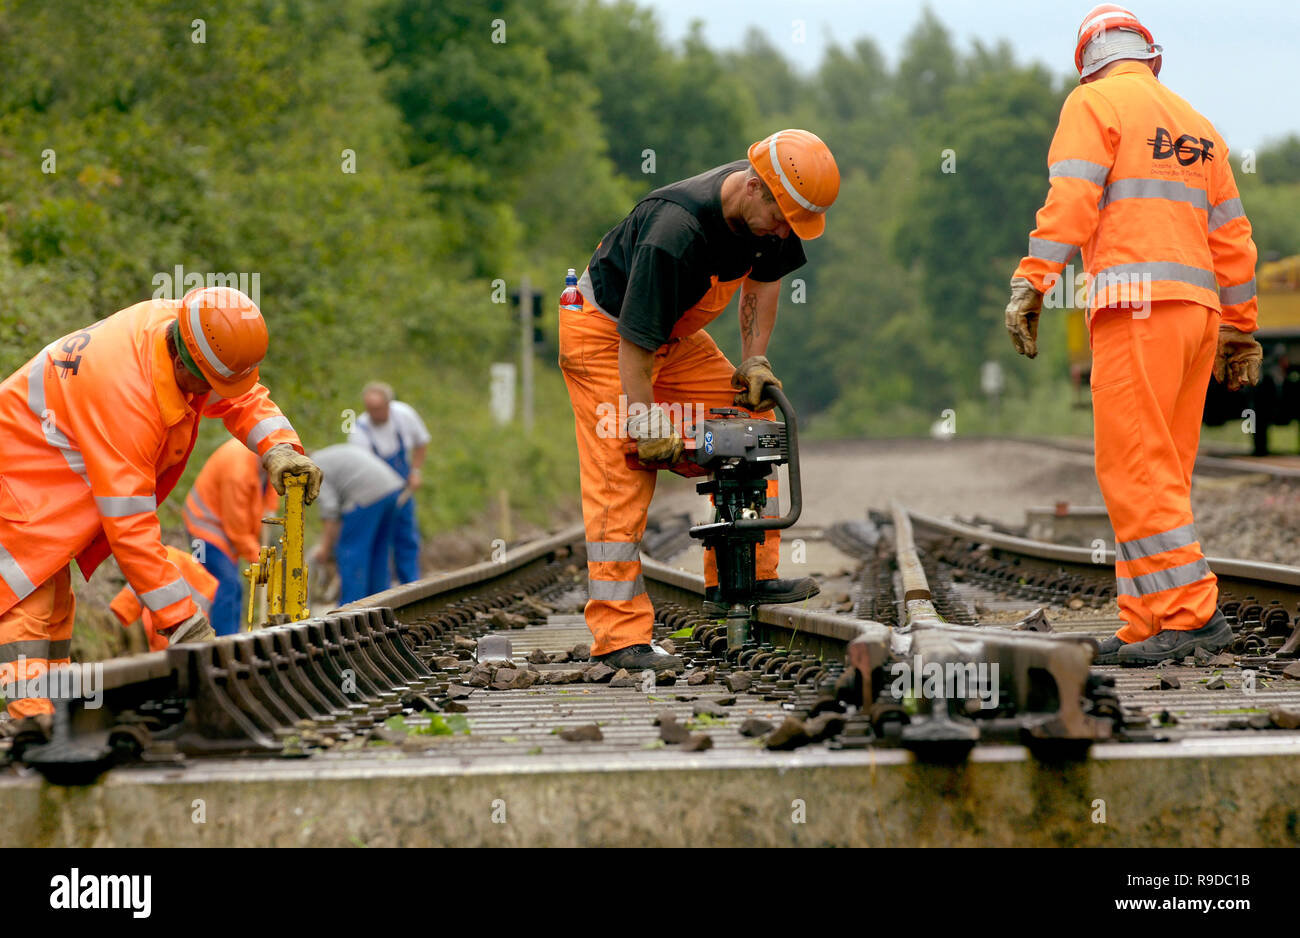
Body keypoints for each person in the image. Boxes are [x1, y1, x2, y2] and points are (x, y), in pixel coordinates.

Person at [1004, 5, 1262, 666]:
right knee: (1162, 470)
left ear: (1086, 64)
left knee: (1134, 467)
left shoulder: (1093, 106)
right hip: (1198, 316)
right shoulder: (1199, 126)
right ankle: (1146, 616)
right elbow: (1233, 238)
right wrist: (1240, 332)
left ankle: (1188, 614)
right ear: (1153, 57)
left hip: (1135, 310)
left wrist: (1034, 282)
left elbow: (1071, 202)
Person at [559, 129, 839, 672]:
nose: (784, 234)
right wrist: (644, 421)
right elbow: (636, 345)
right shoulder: (674, 232)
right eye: (781, 220)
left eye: (794, 226)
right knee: (623, 468)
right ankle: (618, 638)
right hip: (606, 335)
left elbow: (765, 282)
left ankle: (749, 576)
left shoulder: (774, 210)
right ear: (755, 189)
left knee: (757, 418)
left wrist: (754, 359)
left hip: (675, 338)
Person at [0, 285, 322, 721]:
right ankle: (29, 721)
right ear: (186, 365)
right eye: (209, 385)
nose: (212, 394)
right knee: (28, 603)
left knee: (56, 607)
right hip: (18, 481)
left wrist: (279, 447)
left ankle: (51, 717)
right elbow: (130, 530)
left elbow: (240, 394)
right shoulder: (125, 398)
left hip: (43, 478)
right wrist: (185, 624)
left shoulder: (189, 325)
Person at [182, 438, 281, 635]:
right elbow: (237, 530)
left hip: (224, 531)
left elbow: (270, 488)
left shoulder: (267, 460)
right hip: (204, 528)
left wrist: (269, 509)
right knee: (226, 584)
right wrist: (259, 558)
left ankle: (233, 638)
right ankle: (223, 644)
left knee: (232, 587)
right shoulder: (238, 472)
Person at [348, 382, 429, 584]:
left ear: (388, 405)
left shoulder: (404, 415)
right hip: (376, 494)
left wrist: (415, 471)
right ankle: (381, 590)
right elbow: (361, 469)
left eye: (378, 409)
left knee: (406, 538)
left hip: (403, 489)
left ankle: (411, 584)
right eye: (370, 409)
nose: (374, 414)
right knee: (379, 541)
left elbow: (422, 442)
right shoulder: (359, 431)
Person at [310, 445, 405, 605]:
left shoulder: (314, 468)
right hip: (391, 489)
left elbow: (330, 511)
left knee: (352, 553)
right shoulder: (328, 455)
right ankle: (380, 607)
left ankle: (351, 609)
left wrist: (325, 548)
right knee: (378, 553)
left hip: (366, 495)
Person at [111, 545, 218, 651]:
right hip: (198, 629)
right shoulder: (182, 561)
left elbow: (123, 607)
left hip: (170, 633)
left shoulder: (156, 563)